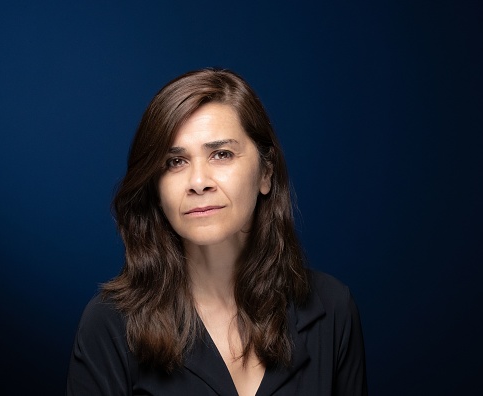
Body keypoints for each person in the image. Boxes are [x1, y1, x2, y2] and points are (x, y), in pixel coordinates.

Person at [65, 68, 367, 396]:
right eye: (174, 162)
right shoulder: (108, 325)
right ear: (155, 186)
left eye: (221, 154)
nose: (198, 182)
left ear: (266, 173)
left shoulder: (333, 308)